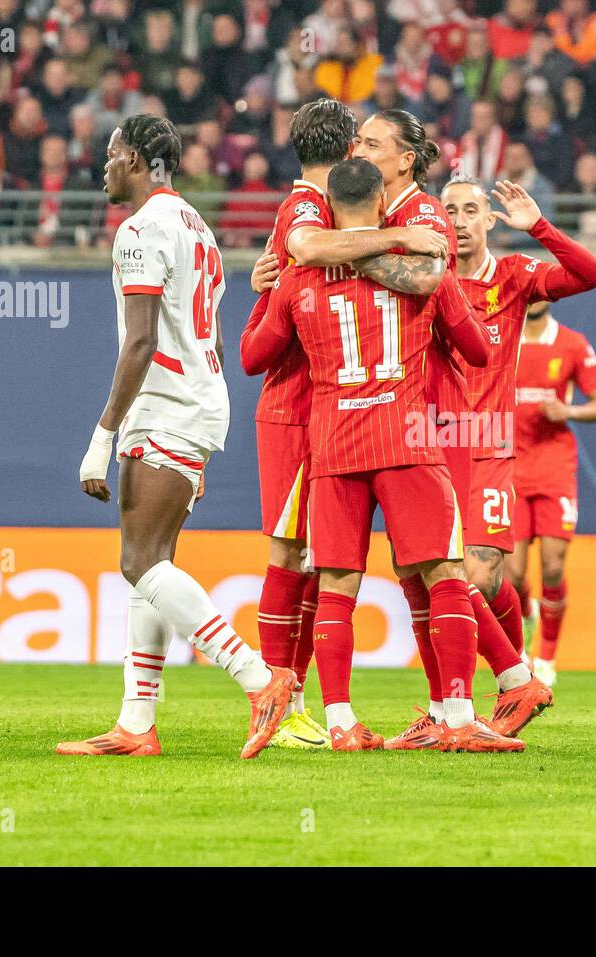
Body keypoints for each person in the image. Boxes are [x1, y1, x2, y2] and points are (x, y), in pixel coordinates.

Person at [242, 157, 521, 754]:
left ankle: (340, 722)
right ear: (382, 202)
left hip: (332, 447)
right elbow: (474, 349)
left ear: (328, 208)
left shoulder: (297, 278)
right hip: (407, 439)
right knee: (444, 573)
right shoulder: (421, 269)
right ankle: (457, 716)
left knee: (338, 582)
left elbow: (252, 355)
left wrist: (261, 288)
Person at [58, 114, 295, 760]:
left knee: (138, 560)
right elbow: (212, 334)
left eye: (110, 157)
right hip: (195, 400)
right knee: (151, 565)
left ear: (134, 159)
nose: (102, 169)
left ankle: (258, 677)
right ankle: (137, 721)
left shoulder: (139, 230)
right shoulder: (197, 226)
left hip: (164, 403)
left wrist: (101, 437)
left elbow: (139, 340)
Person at [239, 97, 451, 751]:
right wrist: (399, 240)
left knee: (323, 561)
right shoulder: (306, 205)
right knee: (295, 555)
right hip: (301, 407)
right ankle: (282, 700)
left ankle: (306, 701)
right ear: (347, 149)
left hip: (337, 408)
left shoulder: (344, 209)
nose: (364, 149)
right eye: (359, 139)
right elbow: (303, 249)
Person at [352, 108, 555, 740]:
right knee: (419, 571)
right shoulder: (395, 225)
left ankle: (513, 681)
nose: (360, 150)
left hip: (473, 436)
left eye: (372, 143)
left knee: (463, 573)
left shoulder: (431, 233)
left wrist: (348, 253)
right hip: (420, 430)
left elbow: (583, 278)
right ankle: (448, 710)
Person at [423, 174, 596, 715]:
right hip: (430, 447)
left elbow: (591, 274)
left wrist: (540, 229)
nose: (458, 220)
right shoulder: (423, 278)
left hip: (488, 446)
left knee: (477, 574)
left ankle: (517, 675)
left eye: (469, 210)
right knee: (442, 579)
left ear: (489, 220)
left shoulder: (515, 275)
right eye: (449, 210)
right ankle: (475, 695)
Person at [506, 301, 596, 688]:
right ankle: (526, 615)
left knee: (553, 565)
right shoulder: (503, 339)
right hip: (510, 469)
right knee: (513, 574)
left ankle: (546, 657)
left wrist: (568, 411)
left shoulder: (572, 343)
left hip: (554, 470)